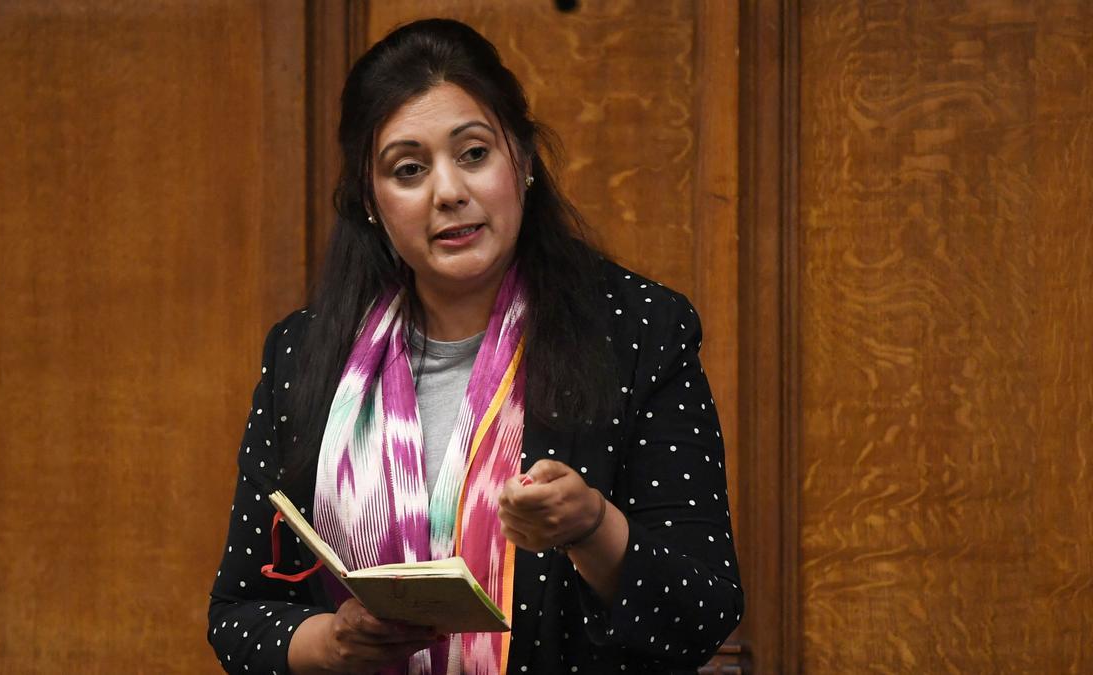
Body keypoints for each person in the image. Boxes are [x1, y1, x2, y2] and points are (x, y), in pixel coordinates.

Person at [207, 18, 742, 675]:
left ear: (522, 158)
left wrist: (591, 527)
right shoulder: (303, 352)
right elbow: (240, 616)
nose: (449, 192)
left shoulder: (639, 329)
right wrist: (332, 644)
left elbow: (703, 611)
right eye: (408, 169)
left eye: (473, 154)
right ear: (371, 201)